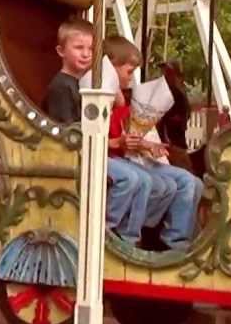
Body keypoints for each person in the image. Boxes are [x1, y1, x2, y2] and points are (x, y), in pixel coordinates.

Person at [43, 18, 155, 246]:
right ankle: (103, 231)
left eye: (91, 49)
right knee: (129, 178)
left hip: (91, 150)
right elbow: (70, 133)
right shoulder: (61, 87)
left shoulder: (83, 83)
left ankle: (130, 238)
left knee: (144, 179)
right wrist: (112, 143)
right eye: (79, 48)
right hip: (74, 155)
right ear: (60, 51)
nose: (86, 54)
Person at [129, 58, 204, 252]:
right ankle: (159, 237)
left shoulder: (177, 95)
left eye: (168, 71)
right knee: (175, 182)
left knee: (193, 182)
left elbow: (174, 123)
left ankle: (180, 236)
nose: (165, 75)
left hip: (169, 144)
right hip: (154, 146)